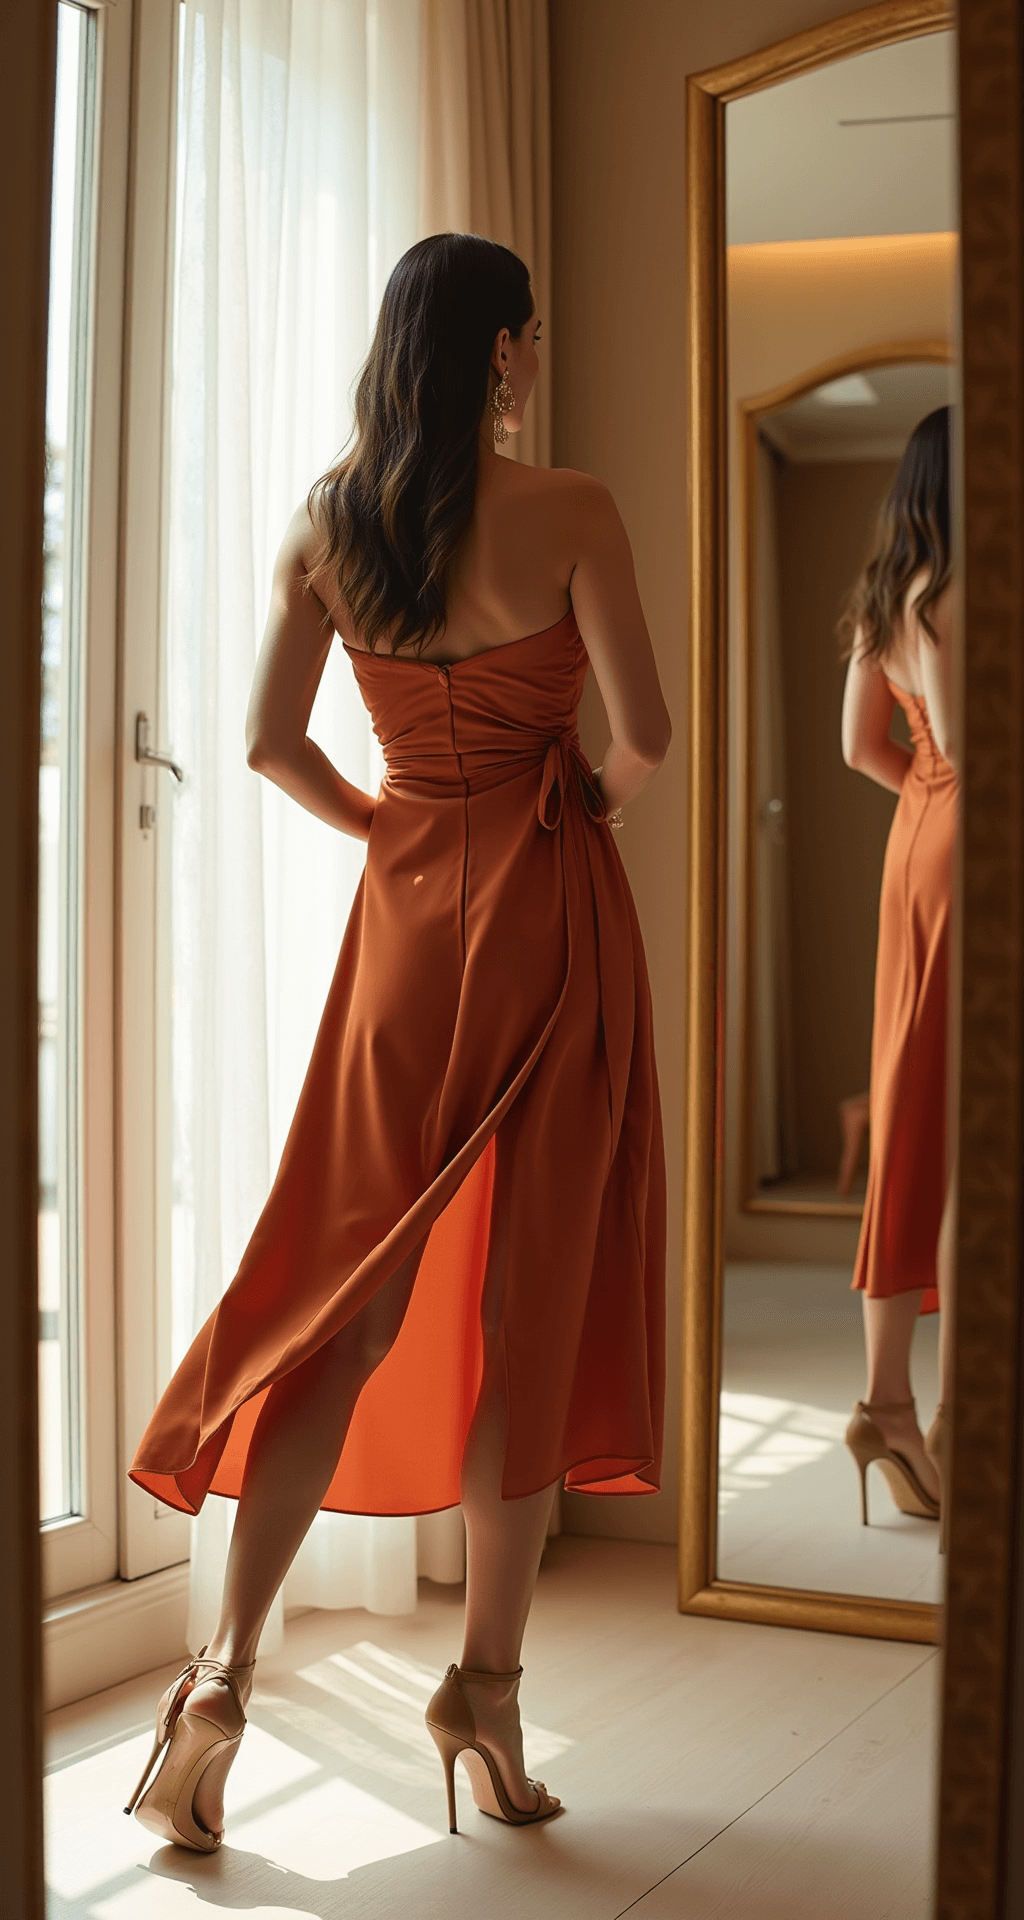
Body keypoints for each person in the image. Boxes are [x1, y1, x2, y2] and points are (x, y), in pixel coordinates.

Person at [123, 233, 670, 1852]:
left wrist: (399, 823)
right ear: (501, 350)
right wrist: (565, 807)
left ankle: (219, 1686)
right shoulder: (567, 507)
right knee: (528, 1306)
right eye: (529, 339)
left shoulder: (326, 517)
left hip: (403, 924)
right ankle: (482, 1696)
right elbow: (640, 737)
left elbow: (263, 743)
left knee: (341, 1300)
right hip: (552, 920)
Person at [838, 404, 958, 1545]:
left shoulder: (890, 597)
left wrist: (926, 801)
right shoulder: (960, 596)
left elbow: (862, 749)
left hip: (915, 848)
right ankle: (948, 1417)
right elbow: (978, 744)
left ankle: (886, 1401)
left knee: (915, 1115)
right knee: (969, 1136)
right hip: (972, 849)